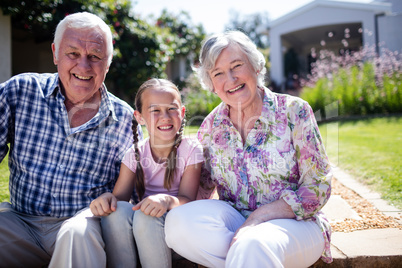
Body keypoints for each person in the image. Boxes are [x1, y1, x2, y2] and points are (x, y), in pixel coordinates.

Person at [165, 30, 333, 268]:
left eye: (237, 65)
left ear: (255, 67)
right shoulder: (211, 126)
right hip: (236, 224)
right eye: (218, 73)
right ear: (212, 84)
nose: (231, 79)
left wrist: (257, 219)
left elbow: (318, 187)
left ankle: (249, 253)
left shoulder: (295, 111)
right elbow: (200, 193)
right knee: (177, 224)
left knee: (254, 243)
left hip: (297, 224)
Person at [0, 12, 140, 267]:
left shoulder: (126, 120)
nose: (83, 66)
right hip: (20, 222)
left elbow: (137, 197)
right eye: (73, 53)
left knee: (77, 233)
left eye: (95, 56)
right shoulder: (19, 91)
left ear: (108, 62)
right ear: (55, 53)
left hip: (82, 227)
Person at [90, 78, 203, 268]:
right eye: (155, 111)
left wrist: (166, 201)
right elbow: (120, 200)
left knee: (145, 216)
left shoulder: (191, 149)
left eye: (171, 109)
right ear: (140, 117)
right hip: (147, 225)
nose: (165, 117)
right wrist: (108, 199)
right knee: (116, 213)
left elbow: (188, 199)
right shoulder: (135, 153)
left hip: (181, 221)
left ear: (182, 113)